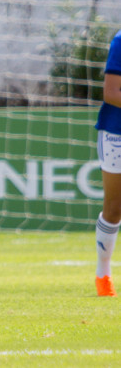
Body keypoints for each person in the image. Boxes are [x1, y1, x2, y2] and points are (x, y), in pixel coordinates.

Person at [94, 29, 121, 297]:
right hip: (117, 133)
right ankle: (103, 273)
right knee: (114, 208)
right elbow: (111, 92)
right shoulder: (120, 40)